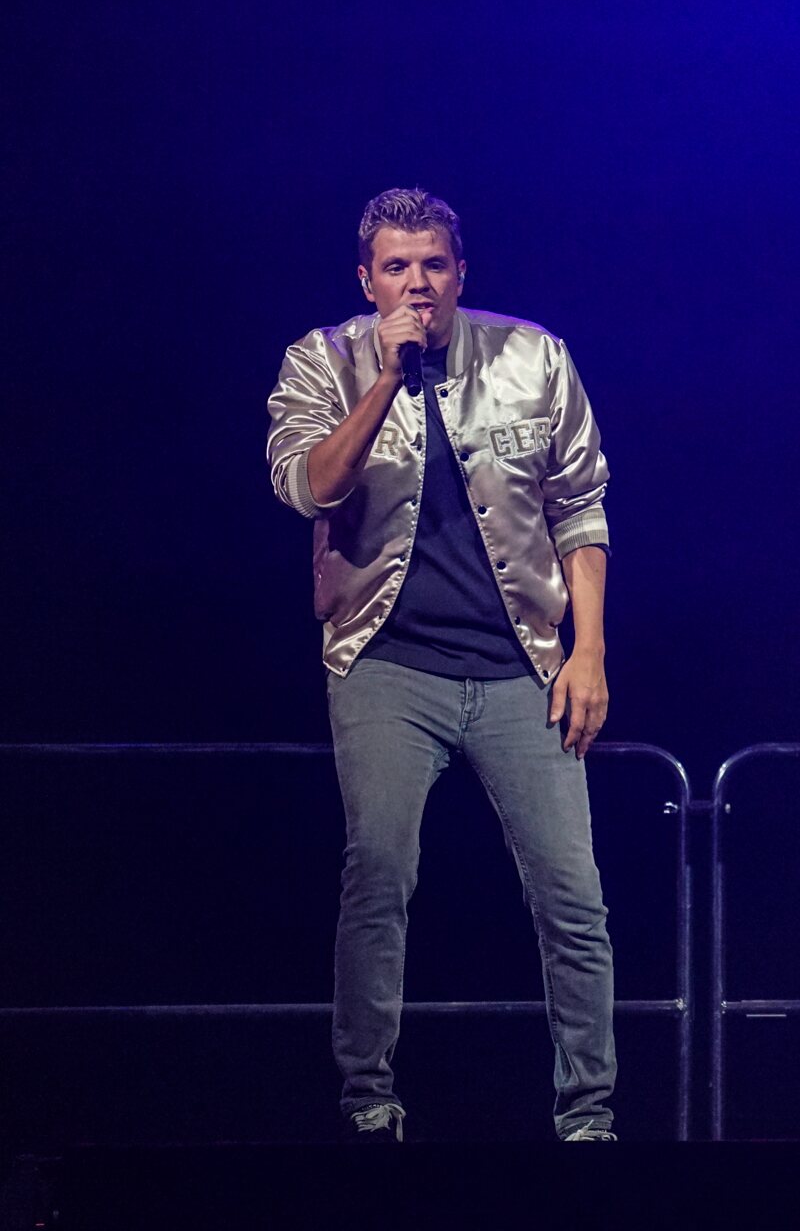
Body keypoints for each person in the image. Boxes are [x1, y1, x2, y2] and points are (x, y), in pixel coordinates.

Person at [267, 188, 618, 1142]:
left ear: (461, 273)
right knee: (379, 873)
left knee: (573, 896)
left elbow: (580, 509)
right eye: (396, 267)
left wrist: (588, 654)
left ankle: (590, 1119)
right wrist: (387, 379)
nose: (417, 284)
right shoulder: (322, 360)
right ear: (366, 280)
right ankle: (367, 1105)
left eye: (433, 265)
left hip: (524, 665)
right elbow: (308, 487)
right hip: (386, 660)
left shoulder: (533, 356)